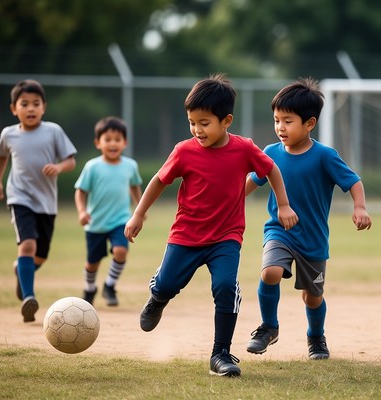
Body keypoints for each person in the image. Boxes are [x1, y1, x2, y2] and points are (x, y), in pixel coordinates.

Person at [124, 73, 298, 377]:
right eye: (192, 122)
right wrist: (139, 214)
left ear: (226, 120)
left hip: (226, 238)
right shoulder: (184, 150)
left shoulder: (244, 148)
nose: (197, 130)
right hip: (185, 235)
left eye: (205, 123)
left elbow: (271, 169)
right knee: (166, 283)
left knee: (225, 288)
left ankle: (220, 354)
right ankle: (158, 296)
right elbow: (158, 181)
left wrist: (283, 205)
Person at [245, 77, 372, 360]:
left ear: (310, 124)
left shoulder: (325, 156)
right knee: (270, 272)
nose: (280, 127)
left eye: (288, 121)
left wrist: (360, 207)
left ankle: (316, 337)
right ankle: (268, 327)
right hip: (278, 231)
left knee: (312, 296)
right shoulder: (270, 153)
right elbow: (253, 181)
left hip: (313, 240)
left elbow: (353, 181)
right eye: (277, 120)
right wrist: (228, 198)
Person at [0, 79, 77, 323]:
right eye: (24, 104)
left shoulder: (53, 131)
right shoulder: (8, 134)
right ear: (13, 109)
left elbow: (71, 161)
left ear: (44, 107)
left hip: (46, 203)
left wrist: (58, 167)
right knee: (27, 246)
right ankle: (29, 297)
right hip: (19, 197)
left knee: (40, 256)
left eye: (36, 104)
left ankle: (22, 270)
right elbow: (0, 156)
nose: (30, 109)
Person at [75, 116, 143, 306]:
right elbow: (80, 192)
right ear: (98, 142)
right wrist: (82, 212)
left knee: (121, 251)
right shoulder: (92, 167)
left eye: (117, 139)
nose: (113, 143)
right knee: (92, 263)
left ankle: (110, 286)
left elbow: (135, 186)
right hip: (95, 223)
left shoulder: (130, 165)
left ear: (125, 142)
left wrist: (139, 207)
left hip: (120, 220)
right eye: (108, 139)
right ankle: (89, 289)